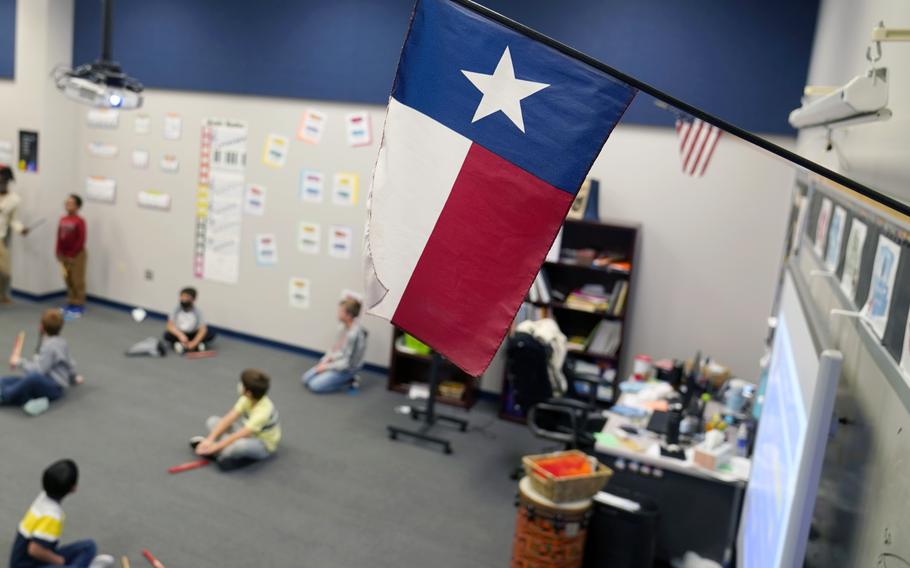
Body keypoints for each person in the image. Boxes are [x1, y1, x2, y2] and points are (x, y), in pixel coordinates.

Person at [9, 459, 114, 568]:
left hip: (32, 560)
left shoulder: (42, 497)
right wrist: (59, 560)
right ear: (74, 488)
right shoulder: (52, 516)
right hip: (27, 565)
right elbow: (34, 550)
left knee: (89, 546)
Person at [190, 368, 281, 469]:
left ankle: (218, 453)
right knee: (212, 421)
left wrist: (216, 446)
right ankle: (219, 452)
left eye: (242, 384)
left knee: (239, 446)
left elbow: (240, 434)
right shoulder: (246, 398)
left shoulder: (263, 412)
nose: (240, 385)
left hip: (262, 445)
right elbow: (230, 418)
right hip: (247, 435)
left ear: (248, 392)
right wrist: (209, 439)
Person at [1, 309, 82, 416]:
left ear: (41, 327)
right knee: (5, 380)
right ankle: (28, 399)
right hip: (44, 382)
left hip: (54, 387)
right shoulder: (61, 341)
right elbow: (69, 362)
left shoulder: (50, 346)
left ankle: (5, 396)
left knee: (31, 378)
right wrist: (74, 377)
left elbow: (39, 371)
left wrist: (19, 362)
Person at [301, 298, 368, 393]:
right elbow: (335, 349)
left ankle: (349, 381)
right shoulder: (343, 327)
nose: (338, 313)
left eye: (341, 311)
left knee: (314, 385)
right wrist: (326, 360)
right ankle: (332, 376)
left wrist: (326, 367)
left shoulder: (355, 335)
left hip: (347, 368)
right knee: (305, 379)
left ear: (348, 315)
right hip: (336, 362)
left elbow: (346, 363)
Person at [0, 165, 29, 304]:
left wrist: (21, 229)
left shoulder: (14, 199)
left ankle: (2, 293)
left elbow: (14, 219)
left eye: (3, 179)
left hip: (1, 238)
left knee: (5, 272)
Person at [57, 194, 88, 318]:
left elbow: (81, 239)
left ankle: (79, 303)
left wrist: (72, 254)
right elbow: (59, 236)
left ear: (77, 206)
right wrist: (58, 251)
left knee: (77, 279)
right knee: (67, 278)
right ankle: (71, 301)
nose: (68, 205)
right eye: (67, 202)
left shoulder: (80, 221)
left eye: (71, 203)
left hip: (77, 254)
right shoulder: (62, 219)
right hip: (64, 254)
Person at [164, 286, 215, 354]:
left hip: (193, 333)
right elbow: (170, 326)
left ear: (193, 299)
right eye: (182, 296)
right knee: (167, 335)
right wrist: (180, 335)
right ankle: (194, 345)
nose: (184, 299)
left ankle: (188, 345)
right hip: (181, 333)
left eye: (187, 297)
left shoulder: (198, 312)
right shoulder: (176, 310)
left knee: (210, 333)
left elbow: (202, 329)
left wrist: (194, 343)